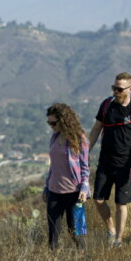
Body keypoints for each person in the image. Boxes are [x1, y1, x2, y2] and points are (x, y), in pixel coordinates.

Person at [89, 72, 131, 247]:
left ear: (130, 89)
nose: (115, 91)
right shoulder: (106, 105)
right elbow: (95, 130)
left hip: (127, 166)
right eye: (113, 87)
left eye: (119, 89)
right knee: (98, 200)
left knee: (121, 204)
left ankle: (119, 240)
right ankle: (111, 230)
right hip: (105, 163)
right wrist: (85, 153)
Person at [43, 103, 90, 250]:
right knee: (53, 237)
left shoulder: (79, 139)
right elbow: (54, 165)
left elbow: (85, 166)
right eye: (48, 122)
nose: (51, 126)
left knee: (76, 234)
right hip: (54, 193)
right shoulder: (54, 137)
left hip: (74, 194)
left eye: (53, 122)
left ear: (63, 120)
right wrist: (46, 187)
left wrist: (84, 188)